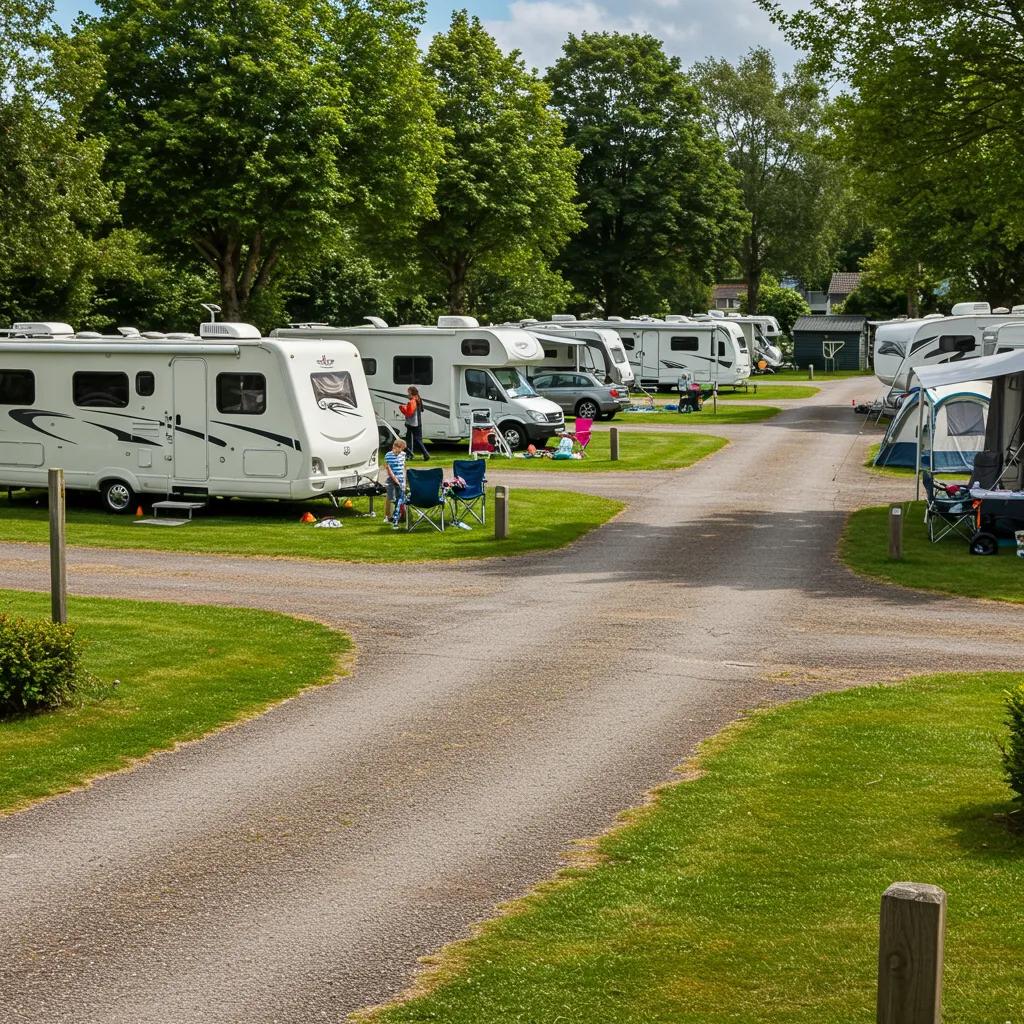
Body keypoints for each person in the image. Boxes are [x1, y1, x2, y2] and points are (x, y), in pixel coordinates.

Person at [399, 386, 430, 460]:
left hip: (412, 423)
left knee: (412, 440)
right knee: (416, 439)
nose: (407, 394)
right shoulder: (418, 399)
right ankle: (421, 454)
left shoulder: (412, 401)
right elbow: (422, 410)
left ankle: (415, 455)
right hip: (418, 422)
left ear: (412, 393)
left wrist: (403, 408)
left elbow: (409, 413)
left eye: (408, 392)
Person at [384, 438, 407, 527]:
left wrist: (404, 480)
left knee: (401, 498)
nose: (401, 451)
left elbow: (403, 467)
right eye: (401, 448)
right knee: (391, 498)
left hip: (401, 479)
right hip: (391, 480)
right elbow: (388, 469)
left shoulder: (403, 454)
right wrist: (395, 480)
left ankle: (402, 515)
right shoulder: (388, 455)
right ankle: (388, 516)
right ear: (395, 446)